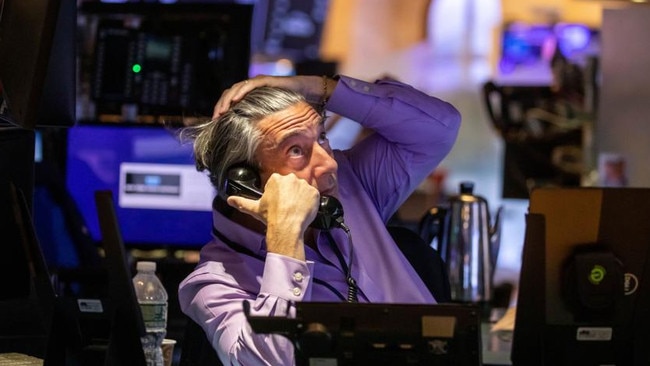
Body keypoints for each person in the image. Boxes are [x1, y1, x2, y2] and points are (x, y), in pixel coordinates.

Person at [178, 74, 461, 365]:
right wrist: (285, 239)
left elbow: (440, 128)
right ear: (245, 183)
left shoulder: (352, 183)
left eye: (322, 137)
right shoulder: (215, 285)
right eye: (296, 150)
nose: (329, 163)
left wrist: (318, 88)